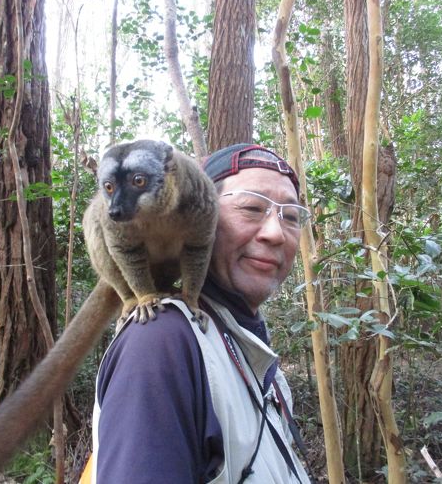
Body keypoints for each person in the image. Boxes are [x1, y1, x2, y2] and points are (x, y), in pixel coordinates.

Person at [87, 144, 313, 483]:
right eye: (251, 208)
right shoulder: (161, 343)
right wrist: (140, 295)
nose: (275, 233)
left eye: (291, 216)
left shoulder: (241, 342)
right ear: (211, 214)